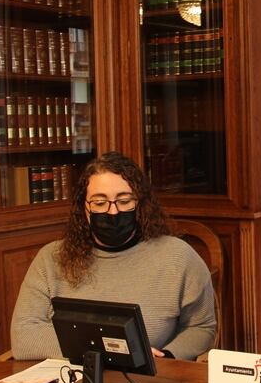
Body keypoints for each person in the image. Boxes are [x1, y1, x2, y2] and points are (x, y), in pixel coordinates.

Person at [11, 151, 216, 361]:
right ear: (84, 208)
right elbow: (23, 336)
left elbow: (201, 327)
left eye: (124, 201)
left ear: (141, 204)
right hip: (72, 379)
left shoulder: (178, 257)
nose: (113, 211)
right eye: (100, 203)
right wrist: (114, 352)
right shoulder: (50, 259)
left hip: (150, 381)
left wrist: (167, 357)